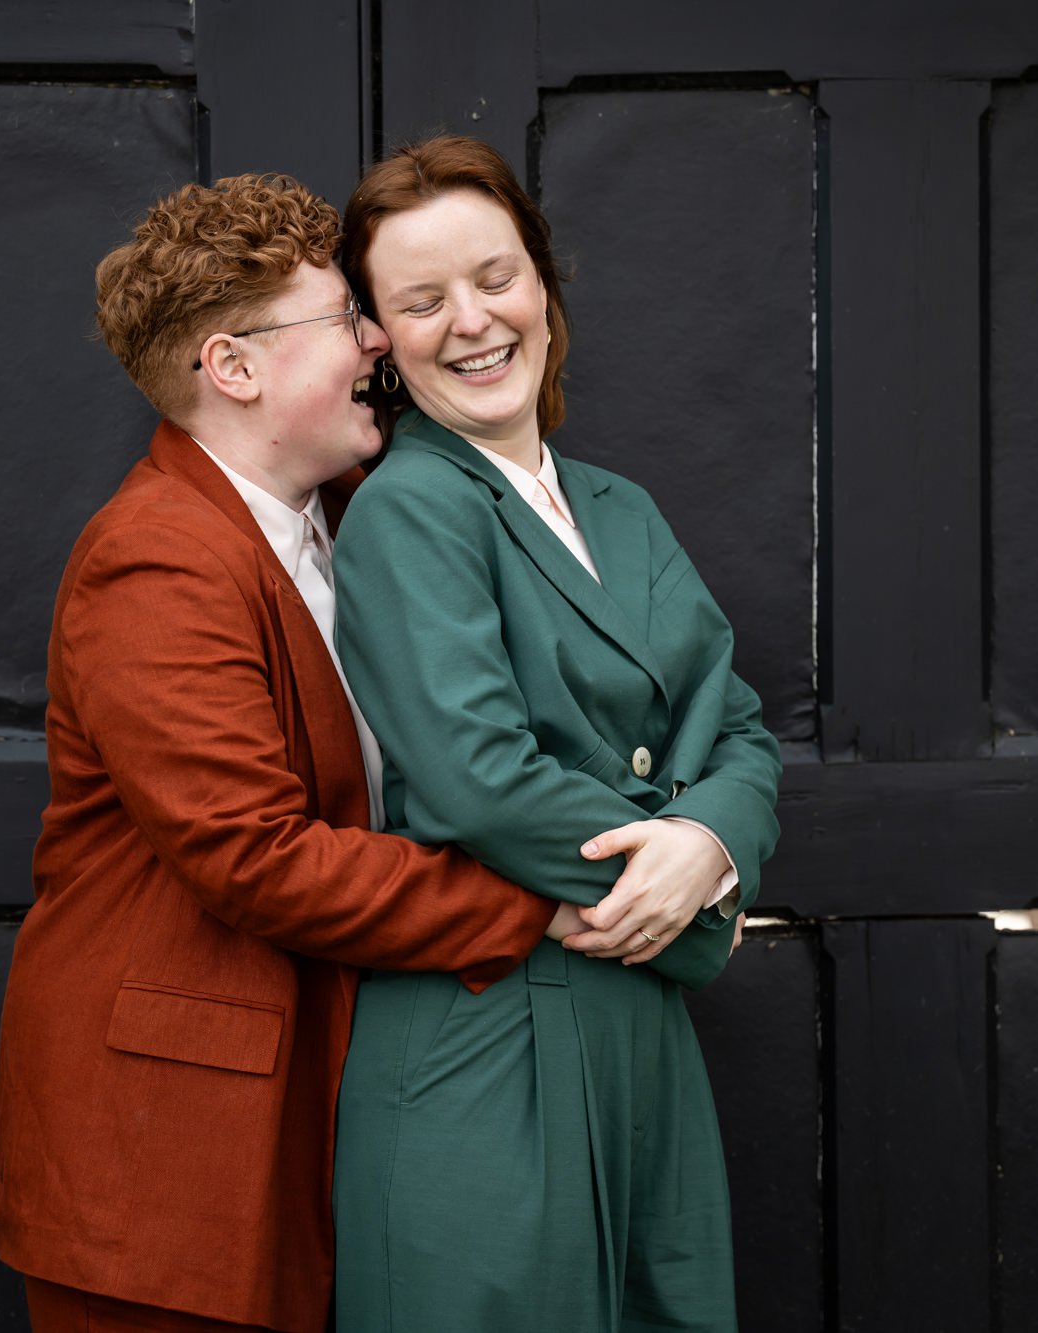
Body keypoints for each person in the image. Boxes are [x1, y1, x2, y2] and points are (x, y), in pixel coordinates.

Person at [0, 173, 587, 1333]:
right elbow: (253, 856)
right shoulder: (153, 561)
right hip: (166, 1162)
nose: (378, 338)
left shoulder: (366, 511)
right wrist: (539, 902)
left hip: (323, 1117)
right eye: (345, 319)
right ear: (235, 367)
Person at [329, 137, 784, 1332]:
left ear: (543, 285)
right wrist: (680, 900)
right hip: (490, 1024)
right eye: (420, 301)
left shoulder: (617, 506)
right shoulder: (408, 511)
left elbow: (738, 730)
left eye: (495, 277)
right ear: (376, 336)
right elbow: (479, 778)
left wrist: (710, 853)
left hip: (635, 1018)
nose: (470, 322)